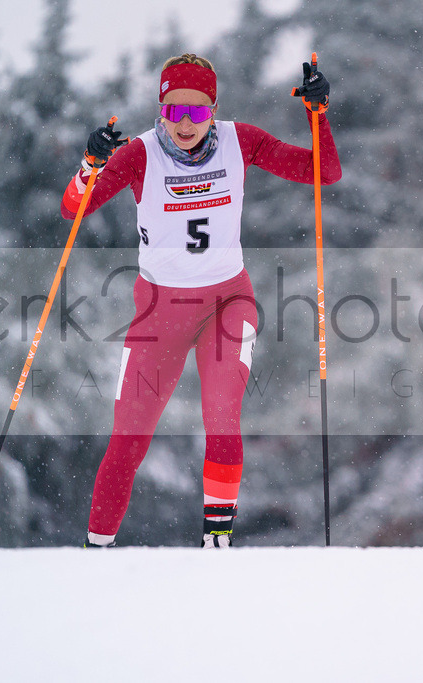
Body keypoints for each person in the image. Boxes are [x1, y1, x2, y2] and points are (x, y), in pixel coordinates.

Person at [61, 53, 341, 548]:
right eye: (173, 111)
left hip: (227, 303)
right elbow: (74, 209)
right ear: (160, 110)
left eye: (196, 112)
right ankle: (95, 550)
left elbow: (323, 172)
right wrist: (89, 165)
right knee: (128, 438)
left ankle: (216, 547)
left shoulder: (241, 140)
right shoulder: (141, 154)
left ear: (213, 108)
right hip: (158, 313)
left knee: (221, 415)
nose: (184, 124)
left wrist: (318, 115)